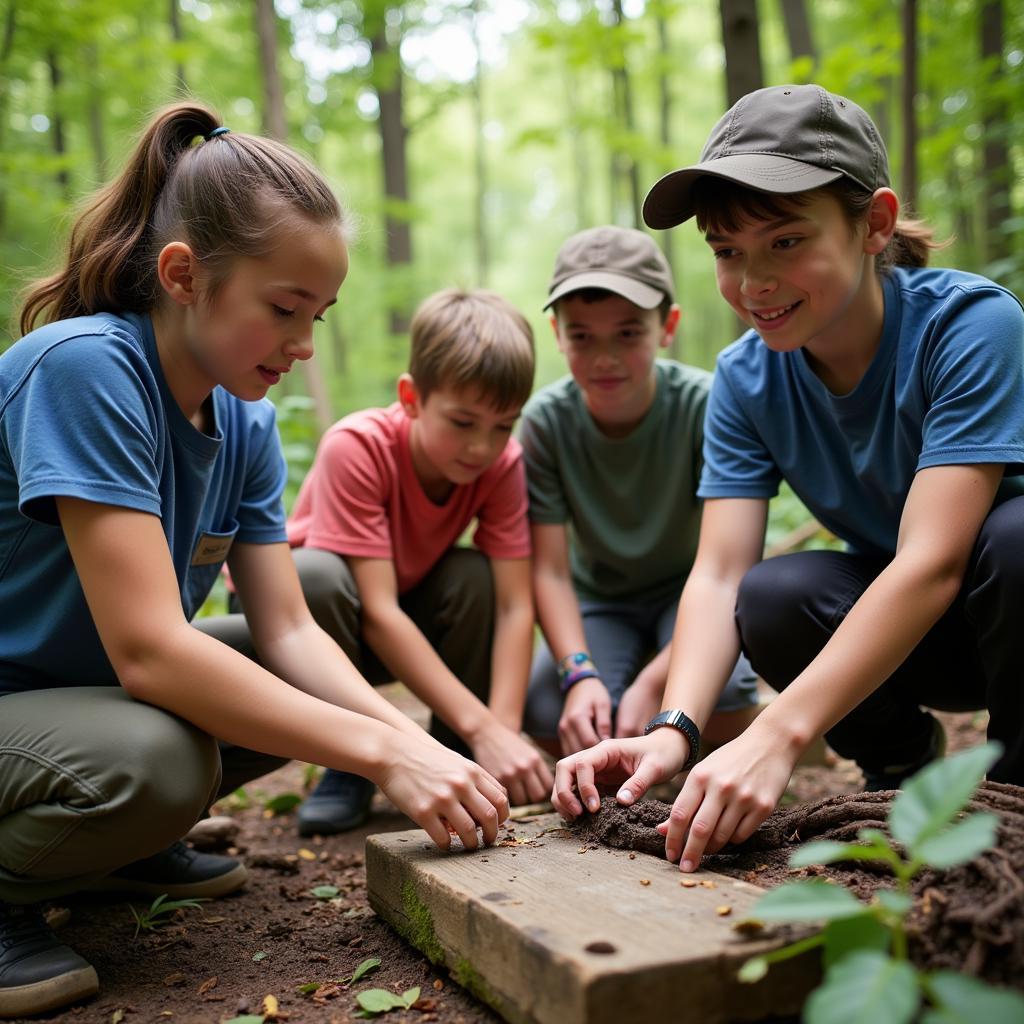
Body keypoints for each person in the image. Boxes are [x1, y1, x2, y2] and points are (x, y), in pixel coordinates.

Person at [0, 104, 508, 1018]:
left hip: (75, 698)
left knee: (264, 687)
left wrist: (411, 746)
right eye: (283, 309)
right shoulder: (85, 369)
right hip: (24, 705)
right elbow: (152, 651)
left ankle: (113, 850)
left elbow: (287, 629)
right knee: (155, 760)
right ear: (184, 275)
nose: (304, 345)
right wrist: (386, 753)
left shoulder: (245, 422)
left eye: (319, 314)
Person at [552, 84, 1024, 875]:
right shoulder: (746, 379)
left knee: (1016, 539)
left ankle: (1014, 792)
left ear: (873, 224)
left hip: (1003, 609)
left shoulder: (971, 326)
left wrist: (776, 735)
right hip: (909, 633)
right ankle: (901, 774)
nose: (753, 283)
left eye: (785, 242)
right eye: (727, 252)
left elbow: (934, 560)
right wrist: (675, 729)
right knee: (770, 595)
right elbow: (719, 572)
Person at [256, 287, 553, 835]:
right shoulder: (358, 447)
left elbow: (515, 606)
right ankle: (349, 761)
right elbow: (379, 611)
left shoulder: (501, 464)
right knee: (315, 574)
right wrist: (487, 724)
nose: (482, 448)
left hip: (406, 616)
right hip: (319, 636)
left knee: (476, 576)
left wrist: (501, 730)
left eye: (503, 425)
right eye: (462, 422)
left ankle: (454, 754)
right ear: (412, 397)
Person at [519, 225, 759, 758]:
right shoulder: (545, 423)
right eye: (582, 336)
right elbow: (551, 570)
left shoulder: (706, 404)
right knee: (543, 711)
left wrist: (656, 680)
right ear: (558, 334)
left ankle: (667, 740)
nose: (605, 358)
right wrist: (579, 673)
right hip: (600, 599)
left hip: (691, 590)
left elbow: (727, 569)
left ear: (666, 326)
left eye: (628, 333)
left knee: (733, 692)